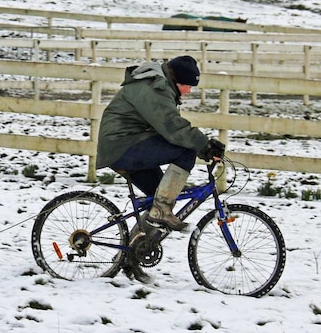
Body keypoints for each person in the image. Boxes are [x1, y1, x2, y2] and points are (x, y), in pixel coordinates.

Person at [96, 55, 225, 232]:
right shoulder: (155, 88)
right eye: (187, 85)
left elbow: (165, 128)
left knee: (157, 198)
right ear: (176, 80)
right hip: (122, 146)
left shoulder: (157, 86)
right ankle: (162, 212)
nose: (188, 91)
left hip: (125, 145)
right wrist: (203, 145)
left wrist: (202, 147)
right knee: (185, 152)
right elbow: (172, 126)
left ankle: (130, 255)